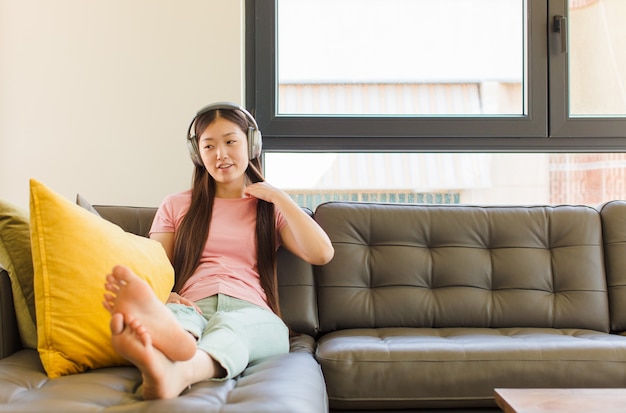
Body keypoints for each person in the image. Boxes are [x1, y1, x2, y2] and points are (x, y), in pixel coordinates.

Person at [102, 102, 334, 400]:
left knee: (232, 327)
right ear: (197, 154)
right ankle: (169, 346)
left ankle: (178, 369)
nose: (220, 154)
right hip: (193, 304)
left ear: (251, 145)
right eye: (208, 146)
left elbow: (322, 253)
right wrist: (164, 292)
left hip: (253, 312)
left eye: (230, 142)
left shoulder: (269, 210)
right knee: (179, 318)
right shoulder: (176, 205)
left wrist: (278, 196)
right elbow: (158, 265)